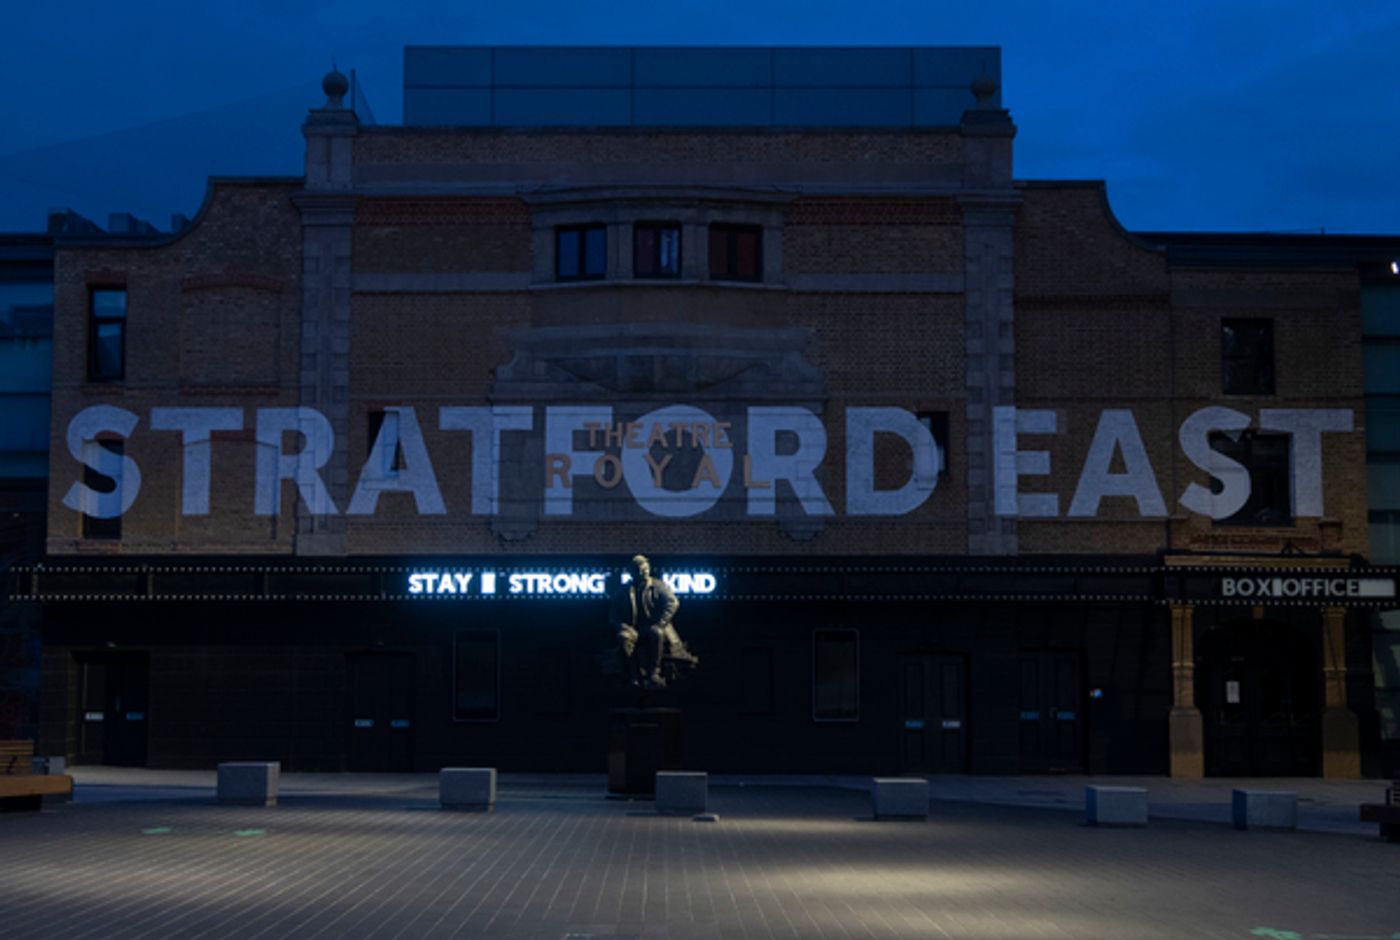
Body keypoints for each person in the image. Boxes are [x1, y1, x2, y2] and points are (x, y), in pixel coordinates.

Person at [611, 554, 691, 689]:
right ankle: (633, 676)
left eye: (646, 569)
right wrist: (622, 626)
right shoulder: (623, 590)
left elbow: (673, 602)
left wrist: (661, 622)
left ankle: (655, 672)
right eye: (640, 570)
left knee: (657, 633)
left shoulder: (658, 586)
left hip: (652, 627)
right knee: (623, 637)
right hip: (633, 629)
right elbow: (613, 614)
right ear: (632, 572)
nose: (644, 573)